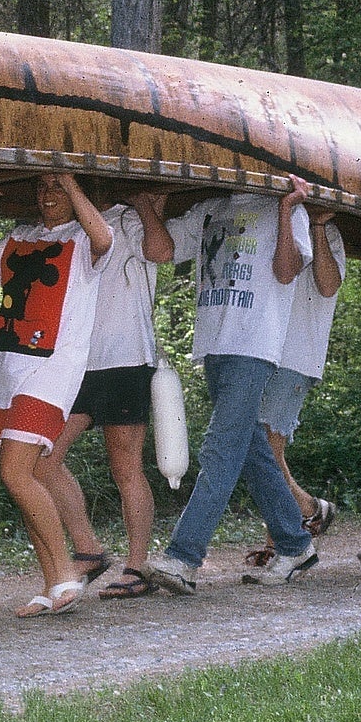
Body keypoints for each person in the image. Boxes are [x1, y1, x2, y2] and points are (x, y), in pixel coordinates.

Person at [136, 175, 317, 595]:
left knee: (220, 449)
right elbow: (159, 250)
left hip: (255, 345)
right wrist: (144, 202)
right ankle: (295, 543)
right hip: (214, 345)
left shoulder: (290, 208)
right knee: (251, 448)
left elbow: (287, 270)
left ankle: (184, 558)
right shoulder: (210, 208)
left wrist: (287, 209)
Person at [0, 171, 113, 618]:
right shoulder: (18, 238)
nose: (48, 196)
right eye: (43, 187)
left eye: (58, 188)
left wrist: (69, 178)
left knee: (16, 473)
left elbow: (103, 237)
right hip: (7, 368)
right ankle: (50, 584)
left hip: (50, 369)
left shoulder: (84, 241)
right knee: (25, 480)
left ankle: (66, 571)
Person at [35, 189, 168, 601]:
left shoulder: (127, 217)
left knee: (125, 466)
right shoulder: (67, 230)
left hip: (126, 358)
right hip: (77, 362)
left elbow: (161, 251)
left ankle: (137, 564)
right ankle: (89, 549)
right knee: (43, 458)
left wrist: (148, 206)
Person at [241, 205, 345, 569]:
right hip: (258, 350)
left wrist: (318, 227)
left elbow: (329, 285)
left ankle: (283, 540)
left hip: (297, 353)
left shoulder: (328, 236)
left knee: (268, 446)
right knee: (261, 448)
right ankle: (308, 510)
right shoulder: (271, 222)